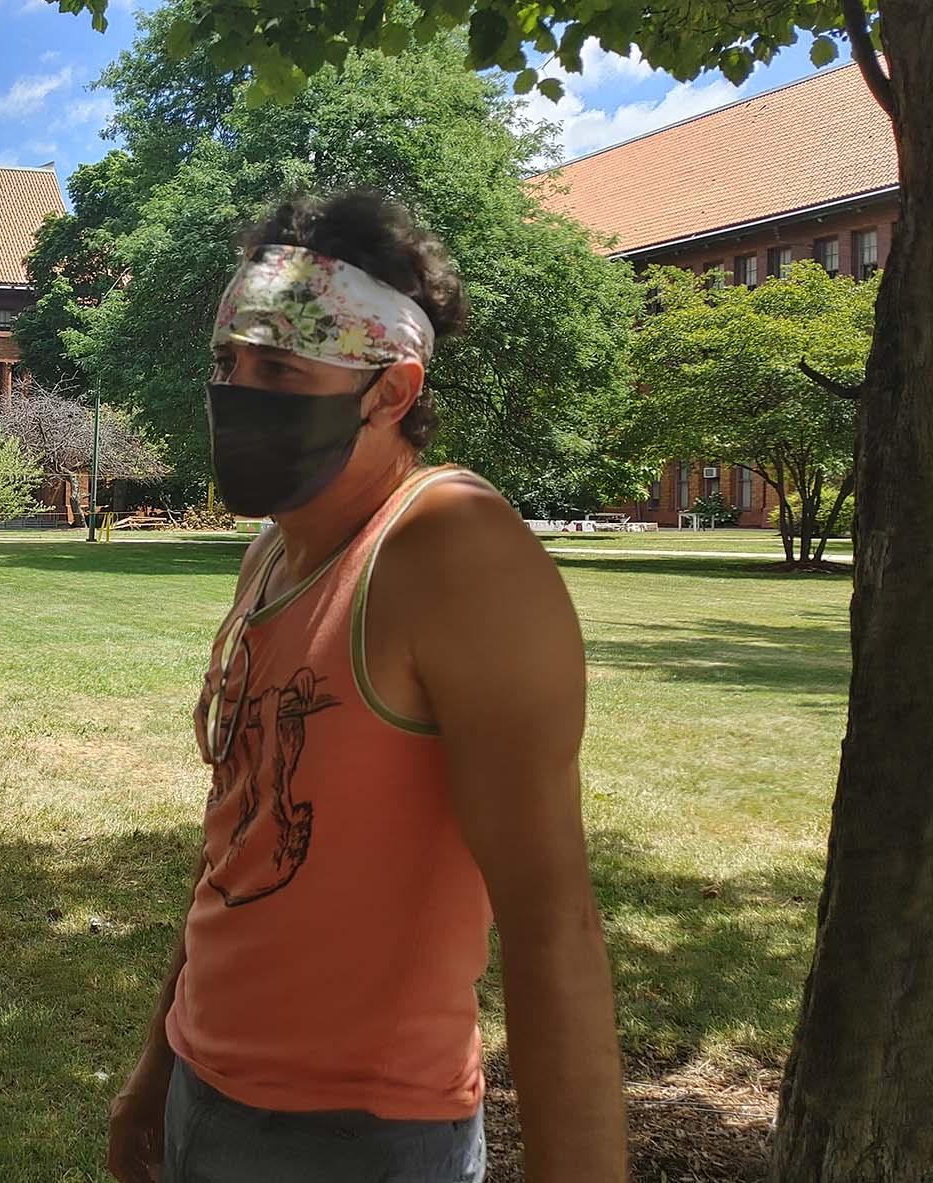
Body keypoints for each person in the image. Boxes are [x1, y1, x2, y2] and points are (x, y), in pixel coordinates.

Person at [105, 191, 626, 1183]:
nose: (239, 390)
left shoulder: (452, 549)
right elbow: (238, 842)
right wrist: (156, 1068)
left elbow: (552, 921)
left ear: (391, 390)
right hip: (206, 1093)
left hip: (366, 1139)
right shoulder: (274, 548)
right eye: (229, 363)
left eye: (280, 368)